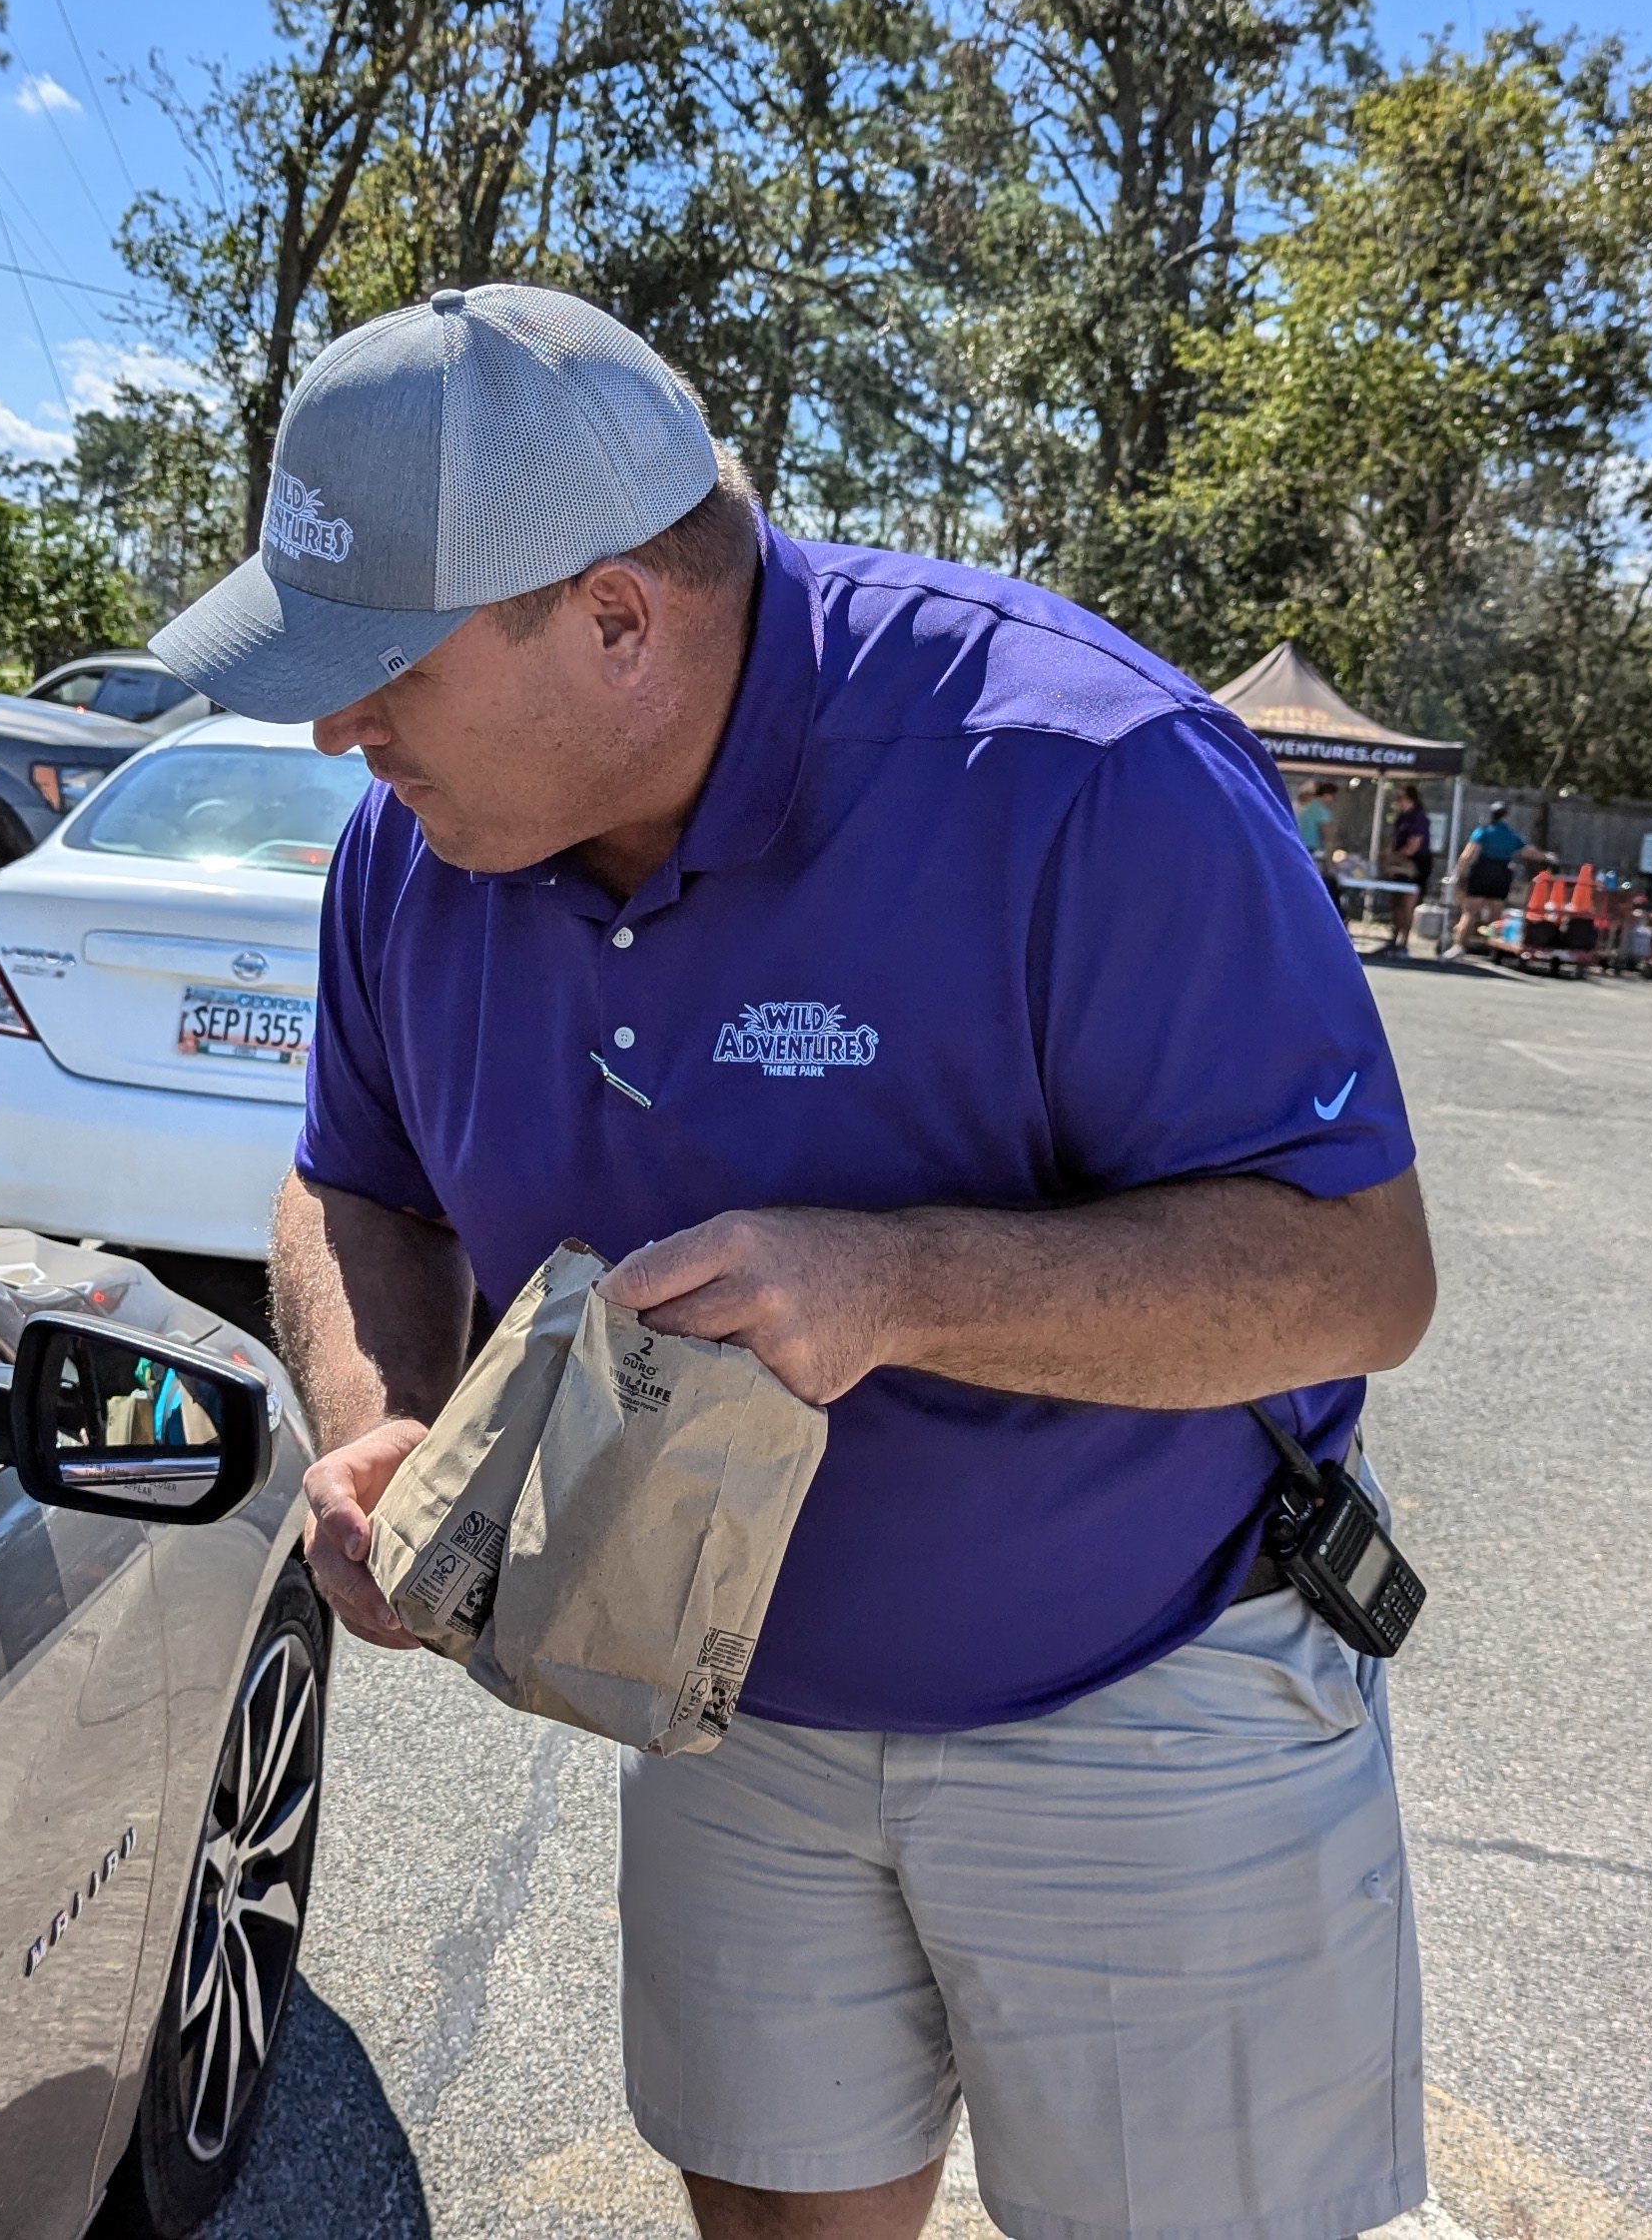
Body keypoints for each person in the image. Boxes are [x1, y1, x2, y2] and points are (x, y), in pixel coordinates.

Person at [157, 283, 1439, 2240]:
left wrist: (904, 1285)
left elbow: (1357, 1276)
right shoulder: (408, 857)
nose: (342, 730)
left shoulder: (1074, 773)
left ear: (614, 617)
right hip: (727, 1714)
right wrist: (383, 1420)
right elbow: (355, 1188)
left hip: (1140, 1701)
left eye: (387, 667)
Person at [1449, 800, 1527, 955]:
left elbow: (1468, 854)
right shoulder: (1511, 835)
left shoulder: (1483, 831)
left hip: (1483, 871)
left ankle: (1459, 947)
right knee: (1496, 913)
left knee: (1470, 912)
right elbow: (1527, 851)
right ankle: (1494, 949)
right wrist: (1546, 856)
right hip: (1502, 874)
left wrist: (1457, 872)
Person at [1381, 784, 1433, 954]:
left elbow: (1413, 846)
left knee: (1407, 903)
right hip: (1399, 864)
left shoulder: (1418, 818)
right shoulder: (1401, 818)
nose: (1398, 802)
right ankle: (1394, 937)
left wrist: (1393, 857)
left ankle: (1404, 941)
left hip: (1416, 864)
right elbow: (1394, 840)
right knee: (1396, 901)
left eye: (1401, 798)